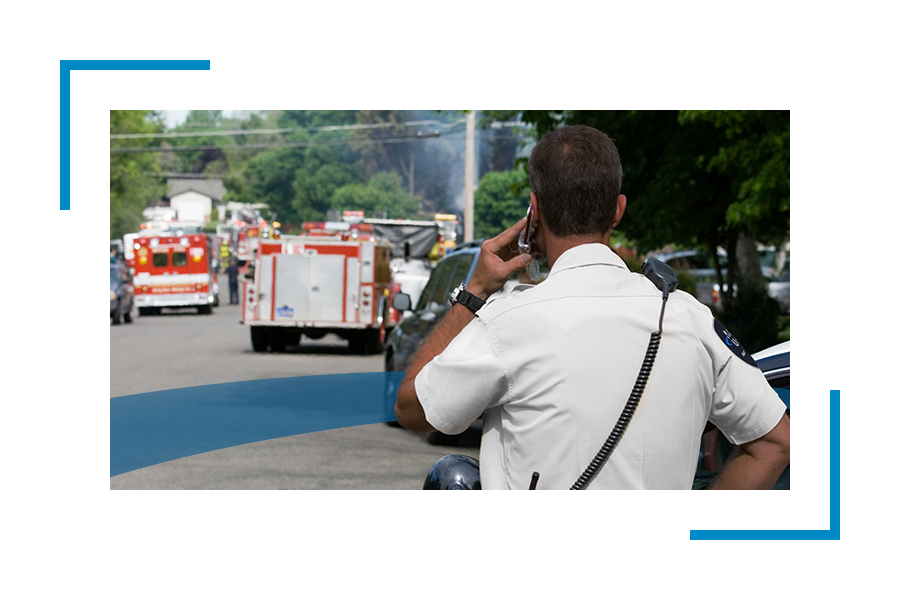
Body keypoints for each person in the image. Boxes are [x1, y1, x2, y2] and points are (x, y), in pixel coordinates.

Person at [394, 125, 789, 490]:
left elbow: (413, 409)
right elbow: (776, 443)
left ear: (534, 211)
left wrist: (475, 290)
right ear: (618, 209)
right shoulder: (691, 319)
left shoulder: (506, 322)